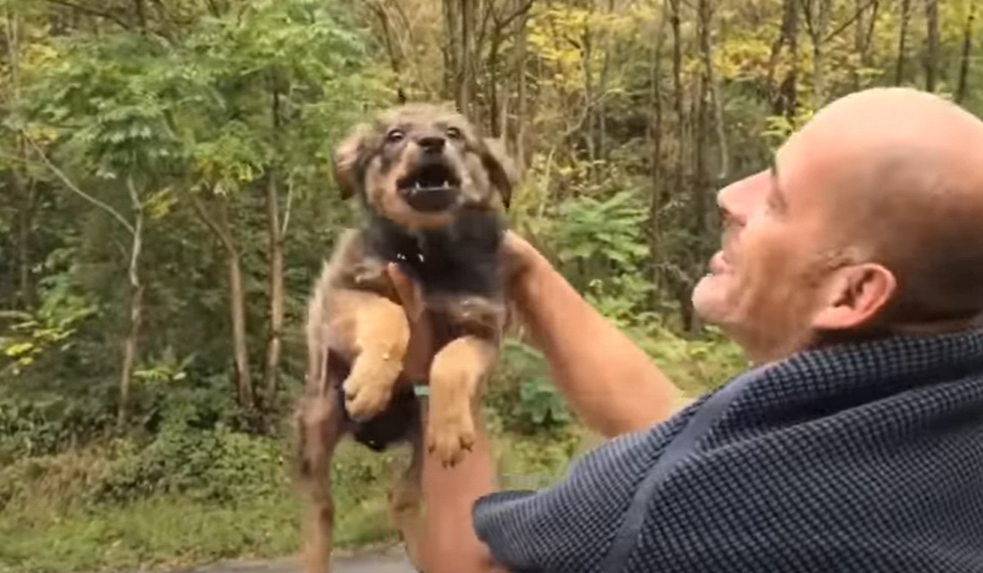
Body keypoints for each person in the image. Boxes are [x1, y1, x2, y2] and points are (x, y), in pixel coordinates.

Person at [386, 87, 983, 573]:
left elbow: (468, 559)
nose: (729, 196)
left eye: (776, 199)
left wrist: (434, 374)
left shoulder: (688, 510)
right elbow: (688, 428)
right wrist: (524, 275)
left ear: (853, 292)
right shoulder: (928, 424)